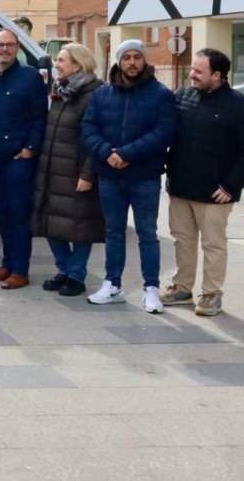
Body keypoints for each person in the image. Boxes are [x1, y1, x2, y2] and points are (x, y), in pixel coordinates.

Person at [81, 39, 175, 311]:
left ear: (144, 60)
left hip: (144, 177)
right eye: (127, 57)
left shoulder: (160, 94)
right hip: (110, 175)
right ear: (118, 61)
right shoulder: (102, 94)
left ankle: (151, 289)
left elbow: (163, 133)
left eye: (137, 57)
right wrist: (107, 153)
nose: (132, 62)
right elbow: (88, 129)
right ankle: (112, 284)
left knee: (147, 233)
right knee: (113, 232)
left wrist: (126, 154)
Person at [162, 48, 244, 317]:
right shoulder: (182, 96)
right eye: (192, 69)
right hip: (181, 187)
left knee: (213, 244)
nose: (192, 75)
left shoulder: (237, 104)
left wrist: (231, 186)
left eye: (199, 71)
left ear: (217, 75)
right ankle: (182, 288)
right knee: (182, 240)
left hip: (216, 192)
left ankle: (211, 294)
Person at [0, 29, 48, 291]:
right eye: (0, 45)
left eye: (9, 45)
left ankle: (20, 270)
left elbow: (40, 117)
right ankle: (6, 264)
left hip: (18, 160)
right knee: (2, 214)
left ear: (17, 48)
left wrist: (30, 148)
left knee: (18, 215)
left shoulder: (30, 78)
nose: (4, 49)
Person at [30, 43, 103, 298]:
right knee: (51, 225)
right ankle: (64, 269)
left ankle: (76, 275)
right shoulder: (60, 90)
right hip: (52, 169)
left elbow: (96, 138)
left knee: (81, 227)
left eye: (61, 60)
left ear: (78, 65)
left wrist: (87, 174)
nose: (56, 65)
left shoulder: (94, 93)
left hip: (76, 172)